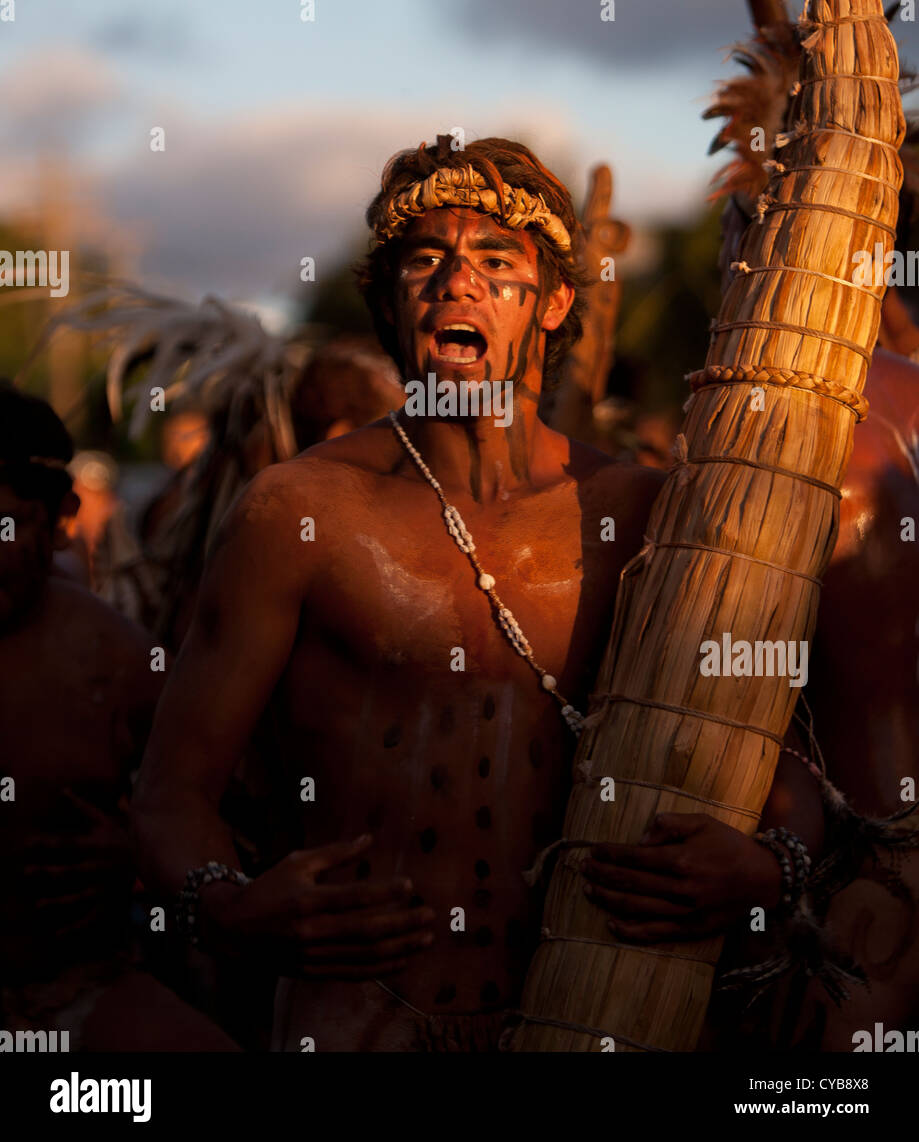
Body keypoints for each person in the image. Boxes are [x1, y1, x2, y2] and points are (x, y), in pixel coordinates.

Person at [132, 135, 816, 1051]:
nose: (458, 283)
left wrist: (767, 874)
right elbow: (171, 791)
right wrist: (229, 906)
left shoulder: (648, 513)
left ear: (553, 302)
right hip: (358, 1026)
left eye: (497, 262)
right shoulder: (300, 514)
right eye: (426, 261)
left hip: (603, 1018)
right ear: (390, 301)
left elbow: (794, 775)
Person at [0, 382, 238, 1050]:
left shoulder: (124, 661)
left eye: (4, 524)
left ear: (60, 520)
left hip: (78, 991)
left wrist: (141, 853)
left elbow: (220, 814)